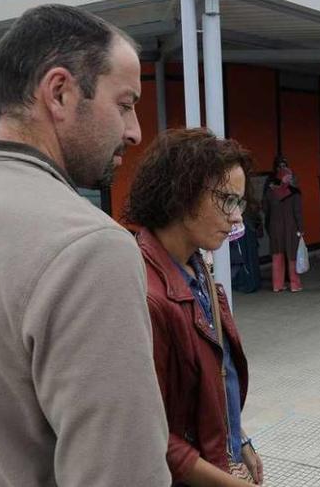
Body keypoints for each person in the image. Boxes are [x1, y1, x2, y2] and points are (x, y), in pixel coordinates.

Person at [0, 5, 171, 486]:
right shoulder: (90, 246)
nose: (135, 131)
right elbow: (122, 474)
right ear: (59, 92)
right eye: (125, 104)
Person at [125, 128, 263, 486]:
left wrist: (238, 437)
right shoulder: (146, 294)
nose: (237, 219)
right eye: (227, 201)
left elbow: (209, 384)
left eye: (240, 203)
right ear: (182, 195)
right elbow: (146, 428)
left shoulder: (195, 264)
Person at [264, 164, 304, 292]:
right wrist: (301, 228)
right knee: (292, 256)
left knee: (277, 256)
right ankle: (295, 284)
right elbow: (298, 213)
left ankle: (277, 285)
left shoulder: (270, 192)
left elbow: (265, 209)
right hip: (291, 228)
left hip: (275, 227)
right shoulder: (294, 193)